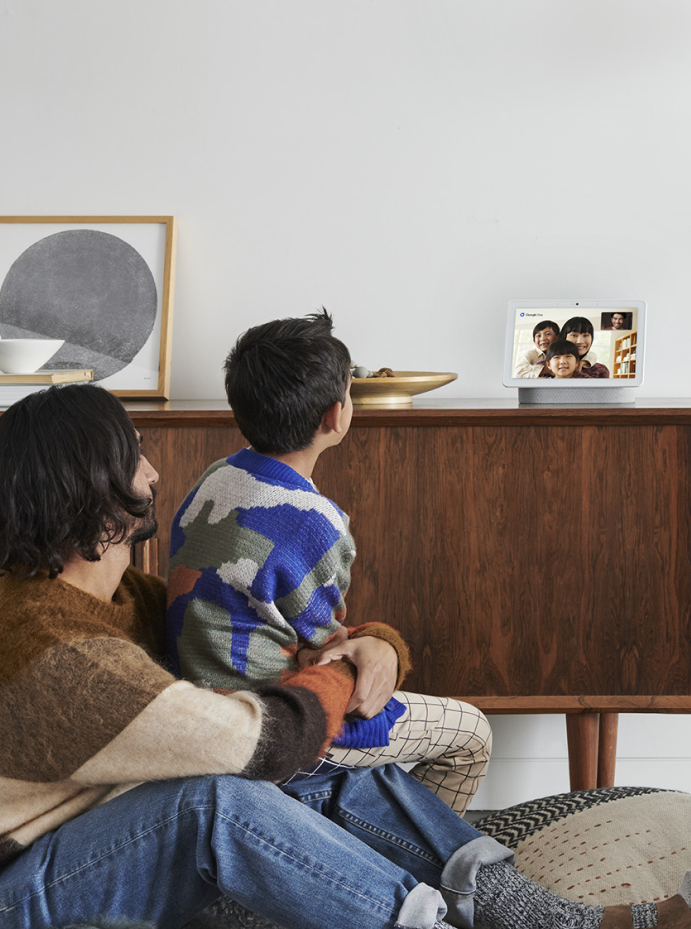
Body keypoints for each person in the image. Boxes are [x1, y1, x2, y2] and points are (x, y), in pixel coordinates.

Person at [0, 384, 691, 929]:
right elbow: (269, 739)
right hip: (21, 895)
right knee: (218, 800)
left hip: (93, 841)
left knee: (330, 770)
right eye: (134, 455)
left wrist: (374, 643)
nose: (156, 472)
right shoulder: (52, 646)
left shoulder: (122, 595)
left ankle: (555, 925)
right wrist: (345, 675)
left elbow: (268, 641)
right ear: (93, 490)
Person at [167, 310, 491, 814]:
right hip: (274, 717)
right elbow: (327, 649)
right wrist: (375, 645)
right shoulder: (316, 522)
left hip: (198, 696)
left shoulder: (216, 477)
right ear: (335, 416)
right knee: (471, 733)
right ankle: (408, 853)